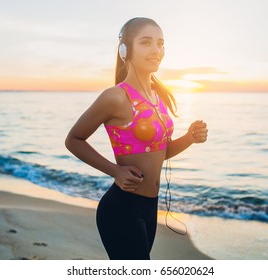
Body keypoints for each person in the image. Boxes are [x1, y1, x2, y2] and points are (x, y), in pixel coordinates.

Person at [65, 17, 208, 260]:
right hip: (122, 208)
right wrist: (115, 171)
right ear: (125, 50)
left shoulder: (157, 96)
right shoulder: (115, 97)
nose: (156, 50)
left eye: (160, 43)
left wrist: (189, 138)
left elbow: (159, 152)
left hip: (150, 207)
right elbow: (74, 140)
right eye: (146, 42)